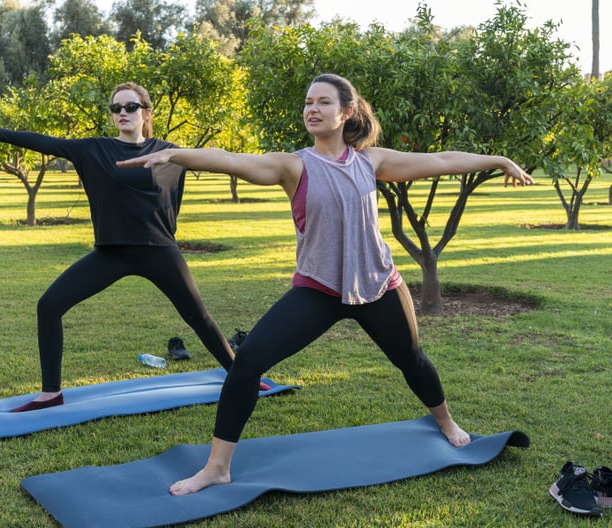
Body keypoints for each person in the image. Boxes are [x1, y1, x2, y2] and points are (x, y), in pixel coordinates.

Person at [117, 73, 534, 495]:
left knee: (411, 360)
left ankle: (445, 421)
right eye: (308, 103)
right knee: (246, 364)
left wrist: (497, 160)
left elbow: (441, 161)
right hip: (318, 290)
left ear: (346, 112)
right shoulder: (293, 165)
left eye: (323, 103)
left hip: (378, 287)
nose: (312, 109)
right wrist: (177, 155)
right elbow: (231, 158)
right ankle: (217, 467)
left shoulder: (372, 161)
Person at [0, 82, 240, 412]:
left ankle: (240, 376)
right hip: (111, 252)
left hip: (159, 250)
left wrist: (178, 157)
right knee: (49, 305)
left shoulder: (169, 152)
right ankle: (50, 393)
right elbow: (47, 144)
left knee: (199, 317)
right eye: (116, 108)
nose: (122, 114)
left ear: (145, 112)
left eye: (130, 107)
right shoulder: (95, 149)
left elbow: (222, 159)